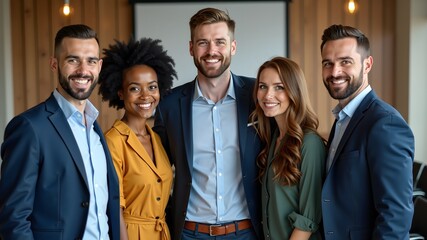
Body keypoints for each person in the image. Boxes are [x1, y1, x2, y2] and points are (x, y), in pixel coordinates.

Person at [0, 24, 120, 240]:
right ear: (54, 64)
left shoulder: (95, 129)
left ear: (100, 66)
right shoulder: (29, 128)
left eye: (91, 61)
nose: (83, 70)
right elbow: (13, 216)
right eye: (73, 60)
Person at [153, 7, 262, 240]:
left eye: (220, 42)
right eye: (202, 42)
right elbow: (154, 169)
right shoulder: (169, 105)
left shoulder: (259, 96)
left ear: (233, 46)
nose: (212, 51)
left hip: (246, 232)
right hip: (190, 232)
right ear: (191, 48)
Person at [320, 24, 415, 239]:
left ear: (367, 64)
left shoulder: (385, 123)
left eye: (345, 62)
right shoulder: (344, 118)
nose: (335, 72)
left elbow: (395, 216)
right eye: (328, 63)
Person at [98, 38, 177, 240]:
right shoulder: (113, 142)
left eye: (152, 87)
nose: (146, 96)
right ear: (120, 93)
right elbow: (114, 206)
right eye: (135, 88)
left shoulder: (156, 139)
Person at [250, 57, 325, 240]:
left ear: (294, 91)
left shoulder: (310, 143)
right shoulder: (273, 138)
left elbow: (308, 219)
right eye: (262, 86)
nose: (268, 95)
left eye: (279, 87)